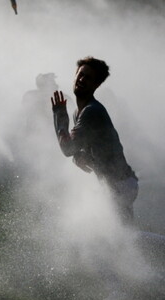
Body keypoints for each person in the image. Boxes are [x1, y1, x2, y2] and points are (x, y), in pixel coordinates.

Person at [51, 57, 138, 222]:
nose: (82, 79)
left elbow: (67, 149)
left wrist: (59, 116)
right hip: (120, 183)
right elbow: (78, 149)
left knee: (117, 238)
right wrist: (78, 157)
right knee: (127, 240)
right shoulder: (79, 112)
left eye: (88, 78)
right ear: (75, 75)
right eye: (80, 74)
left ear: (96, 85)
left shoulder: (92, 111)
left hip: (119, 186)